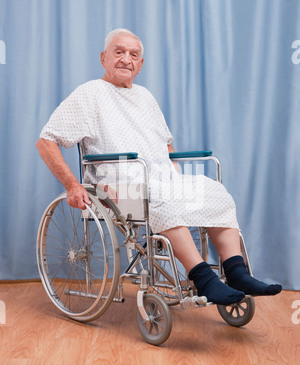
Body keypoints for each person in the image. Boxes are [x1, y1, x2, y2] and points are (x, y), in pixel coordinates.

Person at [36, 28, 282, 305]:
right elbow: (46, 141)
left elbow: (166, 144)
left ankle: (236, 272)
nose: (126, 59)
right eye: (119, 52)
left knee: (214, 190)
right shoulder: (89, 94)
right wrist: (72, 185)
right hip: (113, 187)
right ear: (104, 57)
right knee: (160, 195)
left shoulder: (145, 97)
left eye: (134, 55)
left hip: (157, 179)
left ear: (140, 65)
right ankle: (203, 279)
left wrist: (177, 180)